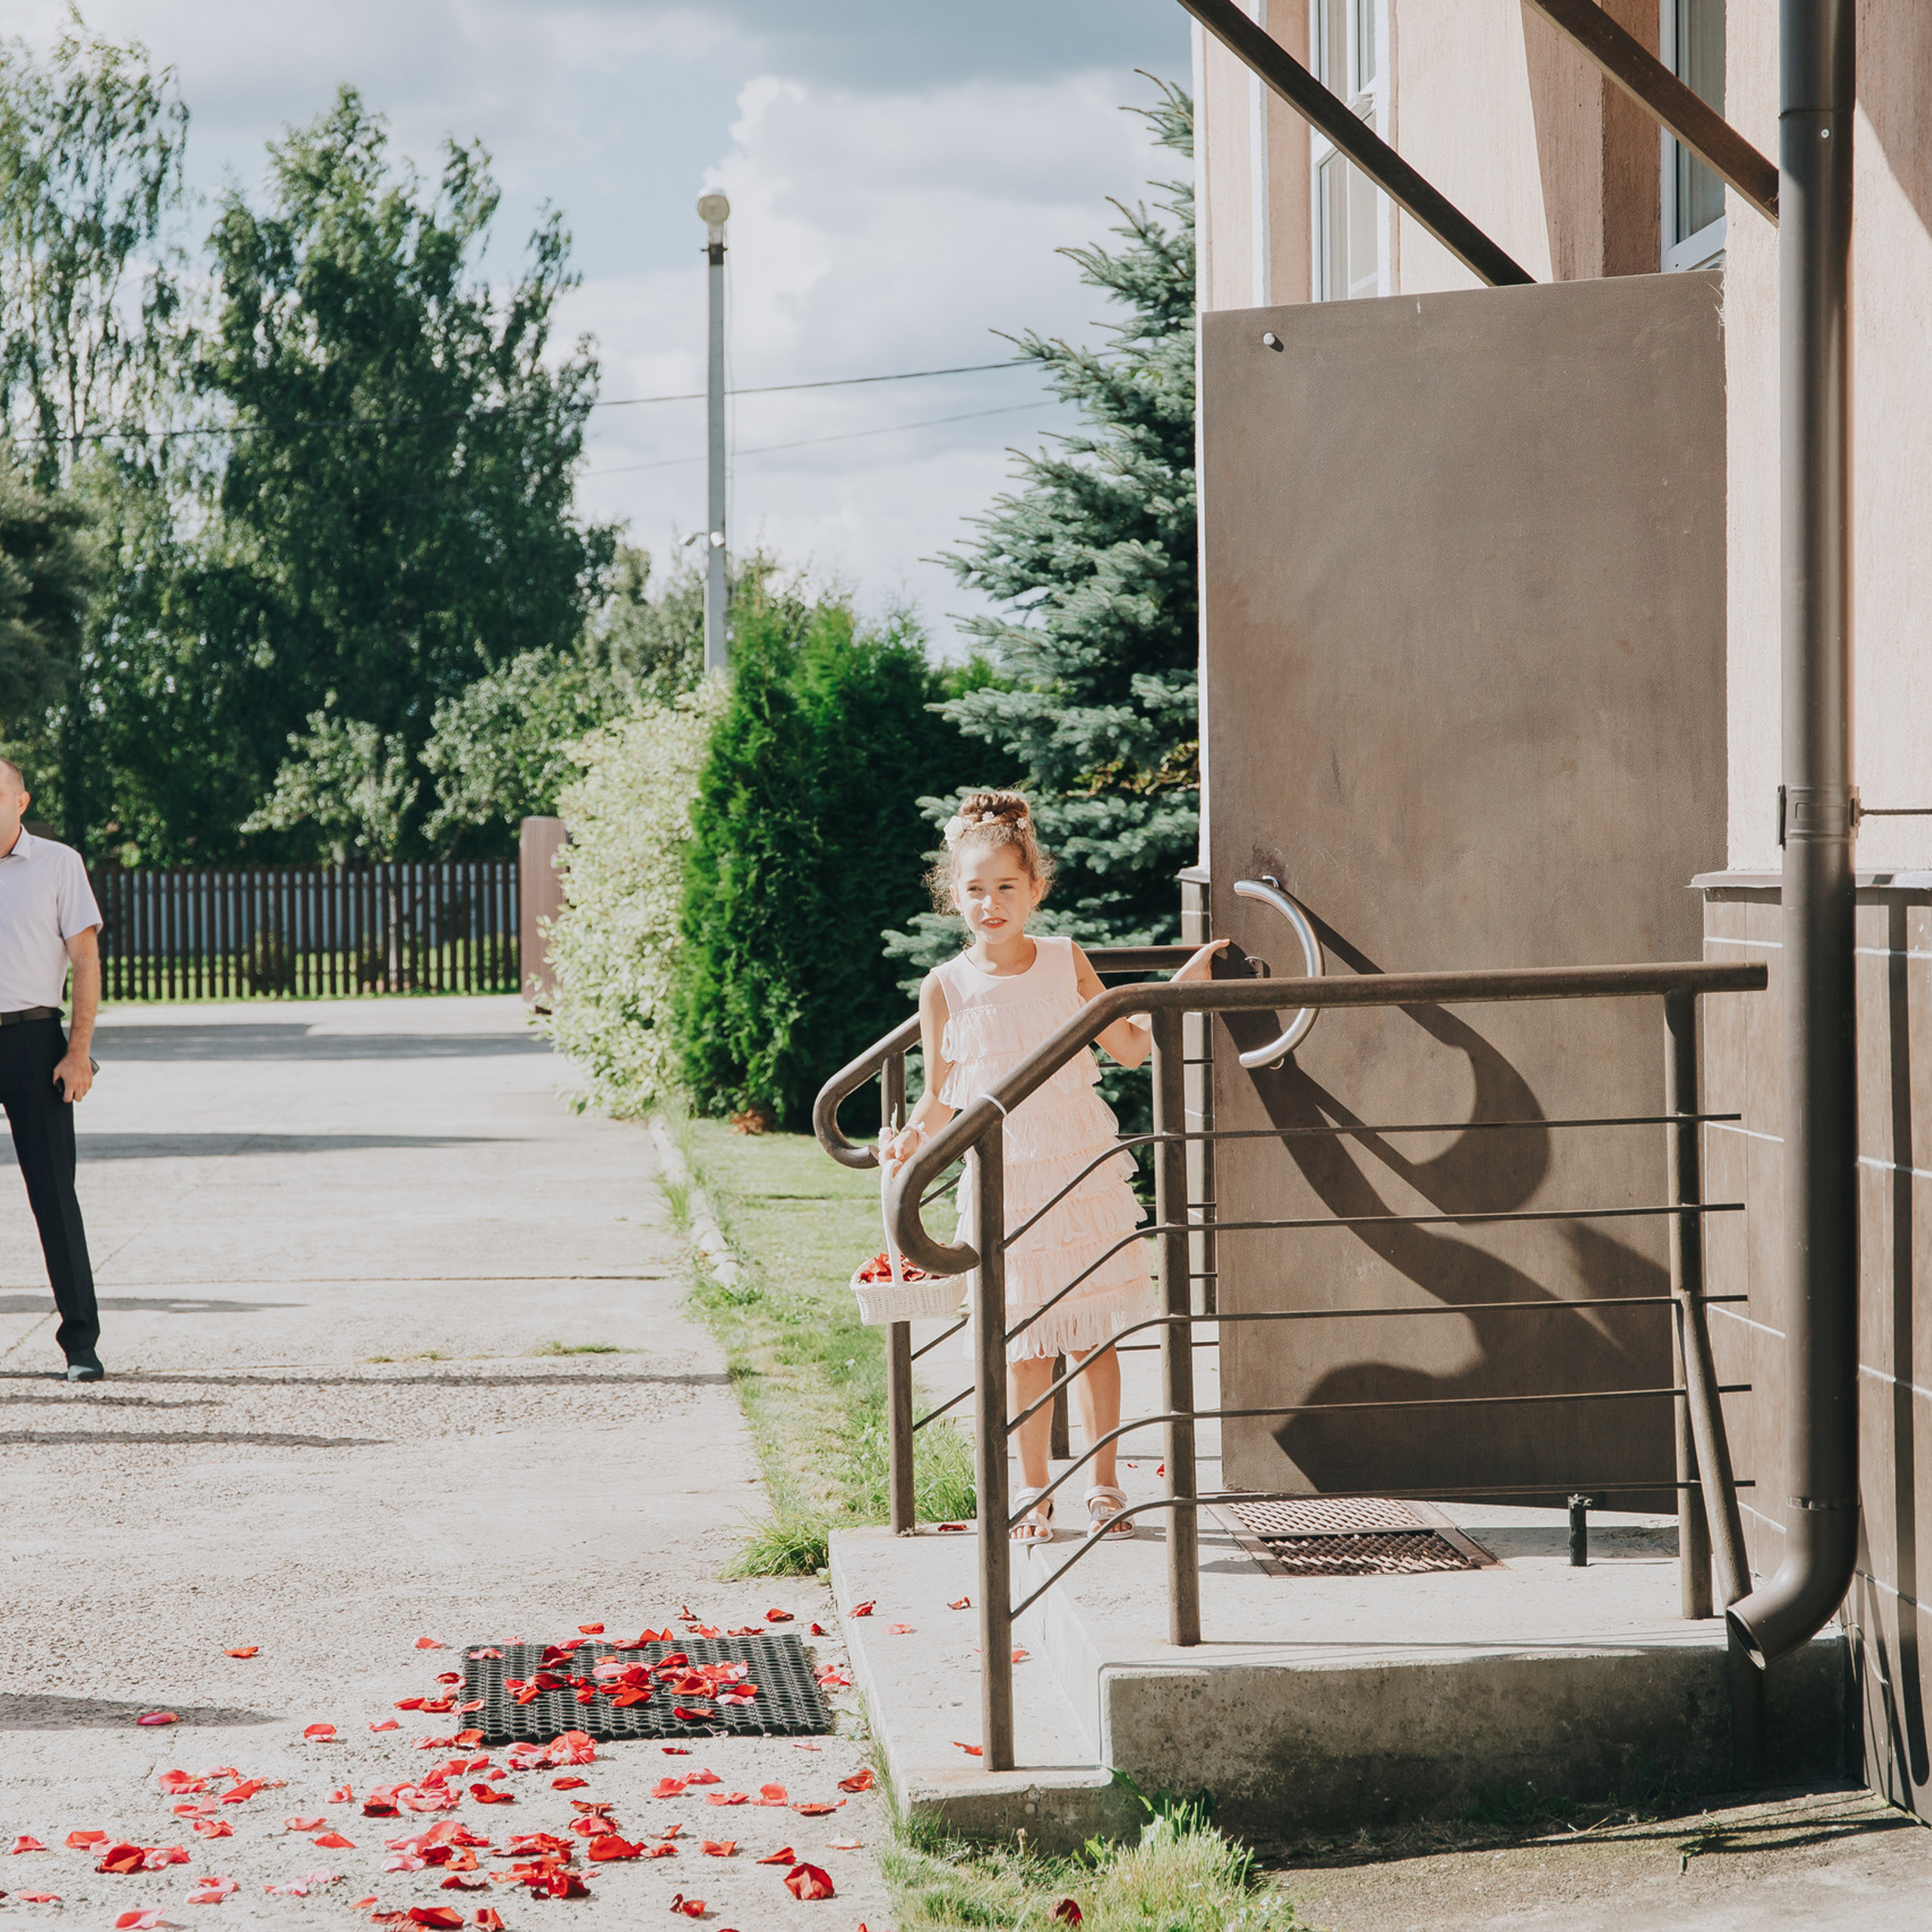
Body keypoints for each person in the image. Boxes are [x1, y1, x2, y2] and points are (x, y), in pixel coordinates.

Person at [882, 790, 1226, 1540]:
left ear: (1036, 887)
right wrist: (910, 1137)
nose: (991, 903)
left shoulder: (1066, 960)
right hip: (1004, 1184)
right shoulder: (944, 986)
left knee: (1091, 1338)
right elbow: (940, 1096)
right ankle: (1033, 1489)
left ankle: (1104, 1484)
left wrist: (1177, 994)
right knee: (1024, 1349)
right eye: (974, 889)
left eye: (1007, 886)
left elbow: (1128, 1046)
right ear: (954, 896)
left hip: (1078, 1177)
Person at [0, 758, 105, 1381]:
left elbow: (86, 961)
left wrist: (77, 1050)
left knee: (53, 1197)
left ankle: (81, 1344)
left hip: (36, 1042)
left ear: (20, 801)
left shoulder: (58, 864)